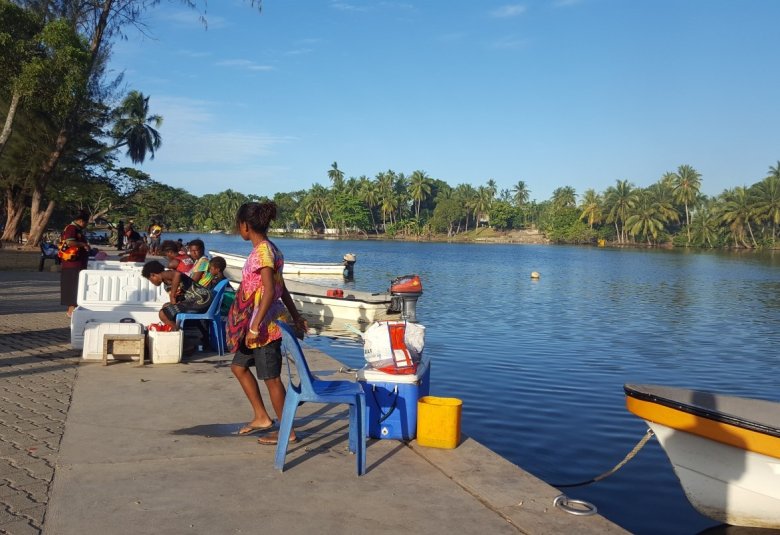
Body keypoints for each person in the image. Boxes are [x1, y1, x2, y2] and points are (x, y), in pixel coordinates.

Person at [227, 201, 307, 443]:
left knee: (271, 378)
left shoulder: (263, 252)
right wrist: (296, 316)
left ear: (245, 226)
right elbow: (282, 289)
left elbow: (271, 290)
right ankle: (261, 417)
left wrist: (253, 327)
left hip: (264, 328)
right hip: (255, 326)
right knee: (239, 367)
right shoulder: (269, 249)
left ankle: (287, 431)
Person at [141, 260, 214, 331]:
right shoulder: (166, 285)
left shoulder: (165, 274)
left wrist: (172, 296)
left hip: (201, 299)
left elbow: (177, 274)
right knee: (166, 307)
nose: (152, 282)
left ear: (153, 275)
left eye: (150, 279)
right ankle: (177, 330)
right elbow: (178, 299)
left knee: (163, 314)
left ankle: (176, 332)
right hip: (197, 300)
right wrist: (175, 300)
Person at [60, 211, 91, 317]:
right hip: (72, 264)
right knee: (72, 286)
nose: (86, 225)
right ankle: (71, 310)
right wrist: (83, 244)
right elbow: (69, 242)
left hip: (78, 263)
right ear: (81, 221)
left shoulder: (78, 229)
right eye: (86, 222)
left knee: (76, 285)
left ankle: (74, 308)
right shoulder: (71, 228)